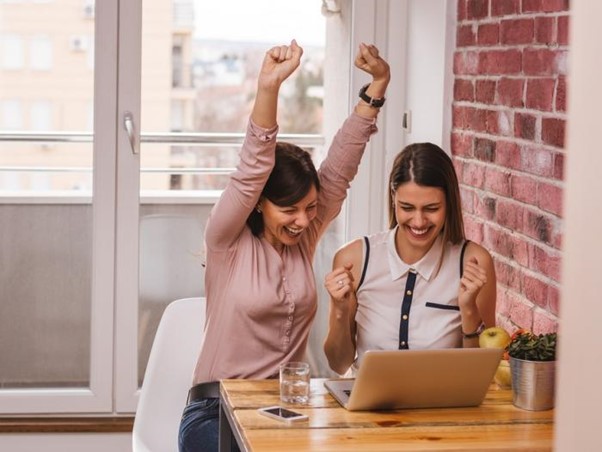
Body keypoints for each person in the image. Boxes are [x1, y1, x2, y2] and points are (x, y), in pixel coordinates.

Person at [178, 40, 390, 452]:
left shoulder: (303, 237)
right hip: (215, 410)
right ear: (260, 202)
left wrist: (377, 86)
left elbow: (340, 168)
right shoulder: (226, 241)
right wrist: (269, 88)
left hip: (286, 408)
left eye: (311, 208)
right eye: (289, 210)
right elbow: (253, 165)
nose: (303, 220)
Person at [323, 142, 497, 375]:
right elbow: (339, 363)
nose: (418, 222)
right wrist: (339, 310)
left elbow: (480, 373)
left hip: (442, 406)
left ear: (449, 203)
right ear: (393, 198)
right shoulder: (355, 258)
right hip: (368, 408)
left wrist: (468, 310)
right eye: (407, 207)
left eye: (431, 208)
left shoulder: (473, 261)